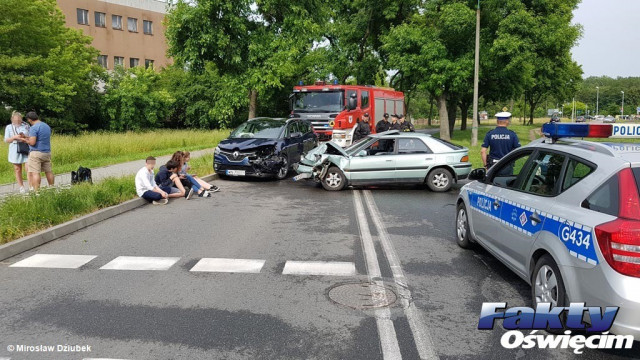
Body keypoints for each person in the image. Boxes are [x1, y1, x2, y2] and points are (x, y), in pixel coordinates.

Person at [24, 111, 53, 192]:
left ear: (29, 119)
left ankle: (37, 192)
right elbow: (40, 137)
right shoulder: (46, 126)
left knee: (35, 173)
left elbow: (32, 143)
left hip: (36, 153)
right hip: (47, 152)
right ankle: (52, 188)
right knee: (48, 171)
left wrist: (25, 140)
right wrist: (27, 137)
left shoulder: (34, 128)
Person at [4, 111, 30, 193]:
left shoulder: (26, 125)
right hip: (15, 148)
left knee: (28, 168)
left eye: (19, 120)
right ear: (12, 119)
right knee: (17, 169)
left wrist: (24, 137)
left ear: (21, 119)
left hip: (25, 147)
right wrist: (14, 137)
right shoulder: (9, 127)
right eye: (15, 121)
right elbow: (6, 140)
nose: (17, 122)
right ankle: (21, 187)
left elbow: (31, 136)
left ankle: (31, 185)